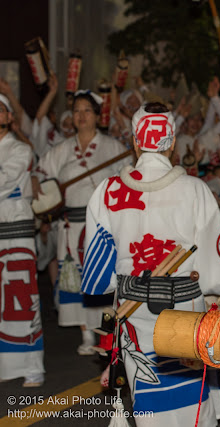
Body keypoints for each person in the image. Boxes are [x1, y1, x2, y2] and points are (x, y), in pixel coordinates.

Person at [81, 102, 220, 426]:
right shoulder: (196, 189)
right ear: (173, 142)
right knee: (191, 403)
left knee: (147, 401)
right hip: (184, 312)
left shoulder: (108, 191)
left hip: (133, 311)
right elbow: (216, 273)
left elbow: (97, 276)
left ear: (135, 141)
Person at [33, 90, 132, 355]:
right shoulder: (62, 150)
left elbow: (131, 178)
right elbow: (40, 172)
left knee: (104, 277)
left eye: (87, 110)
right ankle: (86, 334)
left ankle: (108, 332)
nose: (81, 115)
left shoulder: (113, 147)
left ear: (98, 117)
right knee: (77, 279)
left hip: (103, 226)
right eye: (77, 110)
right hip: (71, 226)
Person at [0, 94, 45, 387]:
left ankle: (32, 365)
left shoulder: (19, 149)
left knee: (21, 297)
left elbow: (3, 180)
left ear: (9, 118)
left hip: (15, 230)